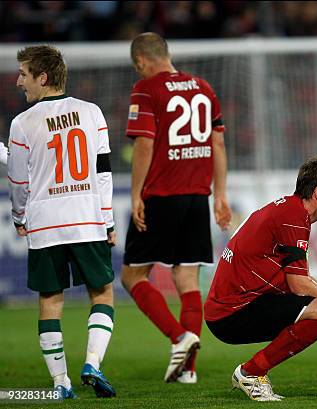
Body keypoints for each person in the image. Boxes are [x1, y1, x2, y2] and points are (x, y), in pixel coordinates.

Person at [204, 158, 317, 401]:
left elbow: (301, 279)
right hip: (231, 313)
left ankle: (251, 372)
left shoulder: (289, 210)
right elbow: (299, 285)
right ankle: (250, 373)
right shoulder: (292, 216)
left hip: (237, 306)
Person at [120, 32, 232, 384]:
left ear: (141, 62)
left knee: (132, 276)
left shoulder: (146, 89)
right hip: (197, 198)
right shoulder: (203, 87)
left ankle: (179, 336)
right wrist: (220, 195)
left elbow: (144, 145)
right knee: (187, 279)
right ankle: (189, 371)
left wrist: (136, 193)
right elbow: (217, 142)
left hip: (161, 196)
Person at [8, 45, 116, 398]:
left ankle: (61, 383)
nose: (18, 81)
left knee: (50, 300)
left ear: (43, 77)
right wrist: (109, 222)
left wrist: (19, 217)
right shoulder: (92, 112)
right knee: (102, 293)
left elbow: (19, 181)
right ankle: (93, 363)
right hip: (87, 217)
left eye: (24, 73)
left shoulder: (23, 122)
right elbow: (102, 173)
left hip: (45, 222)